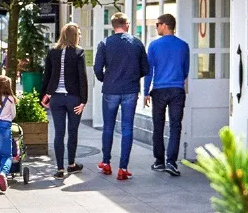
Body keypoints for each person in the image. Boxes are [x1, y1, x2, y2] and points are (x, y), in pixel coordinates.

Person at [94, 13, 149, 181]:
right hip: (130, 90)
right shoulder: (136, 43)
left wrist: (106, 79)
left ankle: (106, 162)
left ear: (113, 25)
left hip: (111, 89)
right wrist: (133, 76)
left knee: (108, 127)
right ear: (126, 24)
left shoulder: (105, 43)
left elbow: (97, 69)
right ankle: (123, 168)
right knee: (127, 129)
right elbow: (145, 69)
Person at [41, 23, 89, 179]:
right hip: (73, 98)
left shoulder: (52, 52)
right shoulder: (78, 52)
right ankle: (71, 164)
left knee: (59, 133)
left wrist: (44, 96)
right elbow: (82, 77)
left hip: (56, 98)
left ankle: (60, 169)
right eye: (79, 33)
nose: (80, 36)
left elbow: (46, 76)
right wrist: (83, 100)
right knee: (73, 132)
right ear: (74, 36)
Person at [145, 13, 190, 177]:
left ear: (164, 25)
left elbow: (149, 71)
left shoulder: (154, 45)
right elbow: (186, 70)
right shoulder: (183, 46)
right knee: (175, 126)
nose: (156, 27)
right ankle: (171, 162)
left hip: (159, 90)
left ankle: (159, 162)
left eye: (157, 24)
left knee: (158, 125)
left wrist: (145, 92)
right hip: (177, 89)